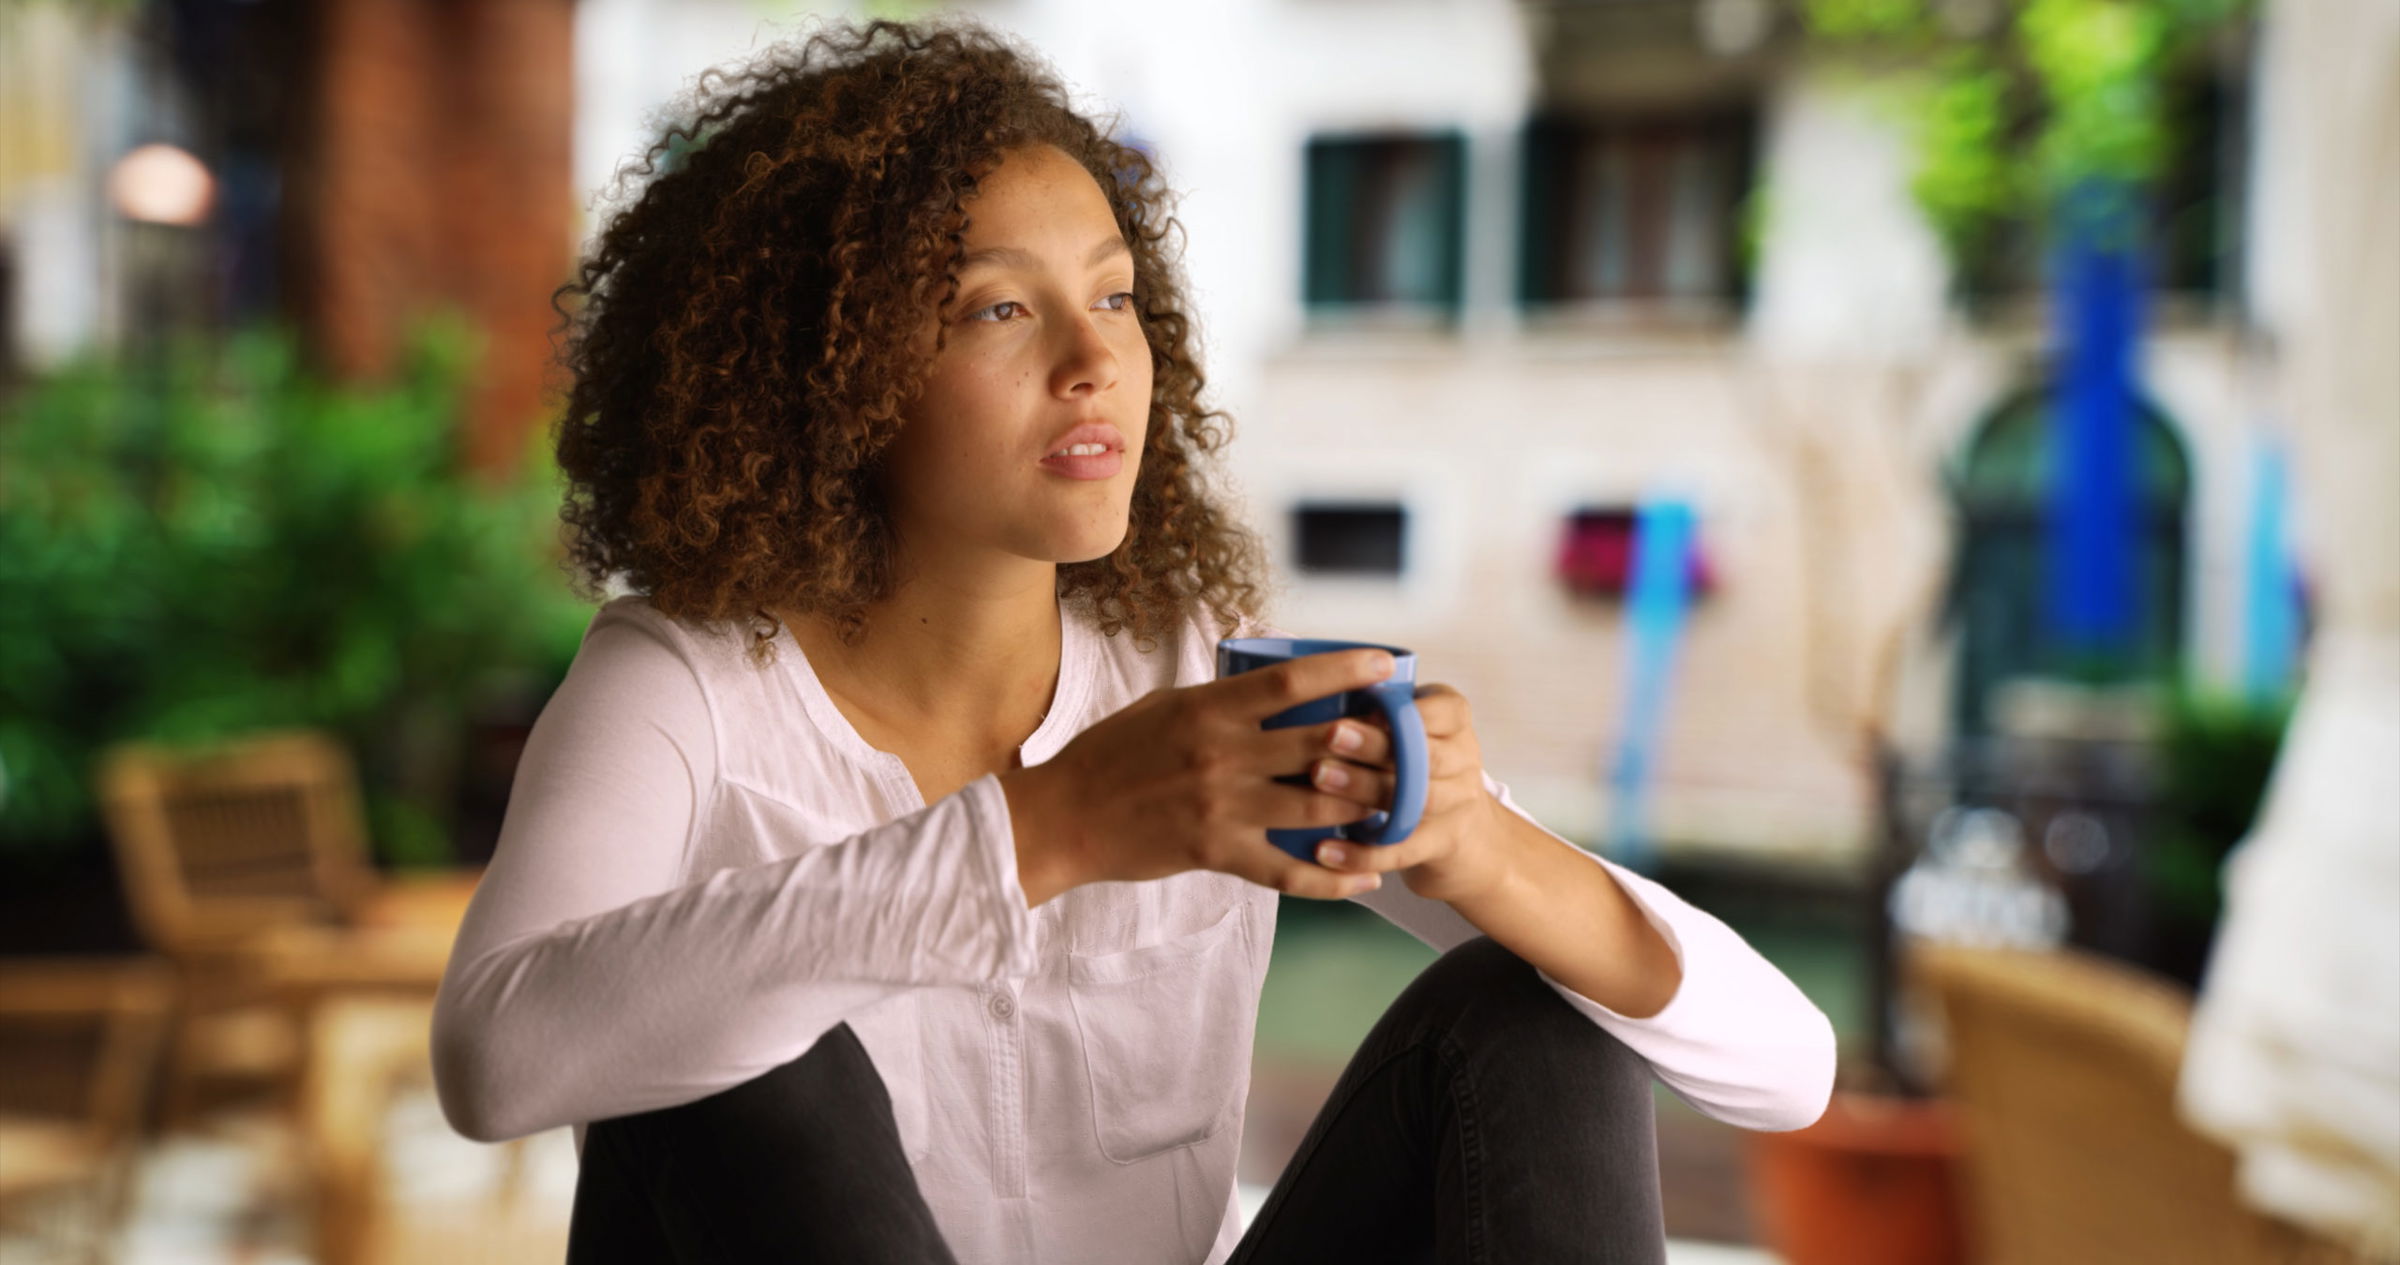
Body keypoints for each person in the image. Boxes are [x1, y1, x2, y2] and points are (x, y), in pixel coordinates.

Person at [428, 17, 1834, 1264]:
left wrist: (1476, 844)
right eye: (996, 306)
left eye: (1113, 296)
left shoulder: (1198, 677)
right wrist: (1054, 826)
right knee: (736, 1047)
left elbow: (1792, 1068)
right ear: (827, 372)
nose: (1095, 358)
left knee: (1529, 1008)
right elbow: (494, 1054)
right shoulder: (683, 683)